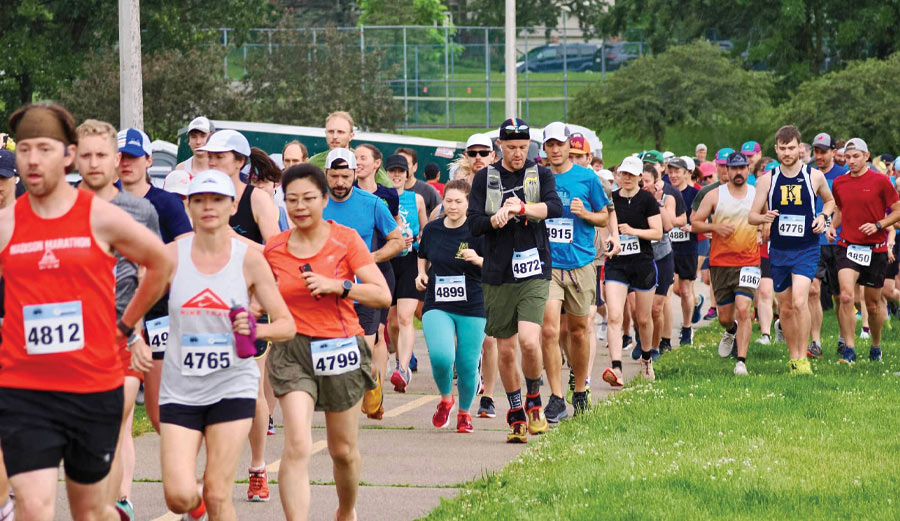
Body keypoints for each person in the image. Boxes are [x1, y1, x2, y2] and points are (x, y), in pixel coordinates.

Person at [0, 102, 171, 521]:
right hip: (25, 387)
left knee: (90, 512)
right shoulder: (5, 223)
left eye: (44, 148)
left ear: (67, 154)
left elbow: (162, 263)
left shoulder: (100, 216)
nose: (33, 159)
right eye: (24, 149)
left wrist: (127, 324)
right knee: (34, 505)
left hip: (92, 386)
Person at [129, 170, 293, 521]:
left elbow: (286, 325)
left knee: (219, 494)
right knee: (177, 497)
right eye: (199, 200)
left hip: (232, 385)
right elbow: (135, 307)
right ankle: (195, 501)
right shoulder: (170, 256)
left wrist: (253, 331)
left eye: (217, 200)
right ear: (187, 207)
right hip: (181, 389)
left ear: (233, 206)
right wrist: (135, 340)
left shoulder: (249, 259)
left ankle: (212, 496)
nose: (208, 207)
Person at [264, 164, 390, 521]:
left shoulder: (345, 239)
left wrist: (341, 286)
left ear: (323, 200)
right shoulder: (273, 249)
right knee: (297, 444)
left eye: (308, 198)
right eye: (292, 200)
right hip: (291, 351)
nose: (300, 207)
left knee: (343, 450)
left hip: (340, 347)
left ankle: (346, 512)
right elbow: (256, 295)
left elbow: (381, 295)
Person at [75, 119, 163, 521]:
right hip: (70, 338)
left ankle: (116, 501)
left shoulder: (140, 210)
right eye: (86, 154)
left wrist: (136, 330)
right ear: (74, 157)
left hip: (121, 335)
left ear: (115, 161)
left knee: (115, 417)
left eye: (103, 156)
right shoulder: (56, 204)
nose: (94, 163)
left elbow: (151, 272)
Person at [468, 118, 562, 443]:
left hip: (534, 268)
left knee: (529, 341)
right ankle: (516, 413)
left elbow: (555, 207)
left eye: (523, 147)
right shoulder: (486, 177)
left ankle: (535, 397)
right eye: (512, 148)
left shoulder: (540, 173)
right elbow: (472, 224)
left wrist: (523, 207)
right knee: (505, 351)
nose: (518, 153)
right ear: (501, 147)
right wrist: (492, 220)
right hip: (497, 272)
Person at [198, 129, 281, 501]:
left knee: (250, 390)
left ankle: (258, 467)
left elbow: (276, 252)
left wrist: (232, 237)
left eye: (220, 155)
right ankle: (210, 471)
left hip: (248, 305)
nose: (212, 159)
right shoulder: (197, 195)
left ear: (240, 161)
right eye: (209, 154)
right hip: (205, 303)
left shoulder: (258, 199)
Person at [116, 128, 193, 435]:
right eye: (120, 156)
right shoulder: (103, 202)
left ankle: (185, 476)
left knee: (159, 413)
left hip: (159, 314)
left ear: (148, 160)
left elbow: (187, 253)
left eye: (133, 157)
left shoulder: (166, 203)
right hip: (117, 313)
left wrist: (156, 271)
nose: (126, 163)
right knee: (115, 413)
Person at [322, 148, 404, 419]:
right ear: (326, 175)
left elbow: (397, 241)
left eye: (346, 176)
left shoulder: (372, 204)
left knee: (363, 353)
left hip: (363, 293)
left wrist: (369, 259)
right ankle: (346, 408)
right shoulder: (317, 205)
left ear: (356, 174)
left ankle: (371, 382)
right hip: (327, 294)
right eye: (334, 176)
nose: (340, 183)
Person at [537, 122, 609, 422]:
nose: (555, 149)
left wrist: (585, 214)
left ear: (569, 146)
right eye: (549, 145)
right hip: (547, 265)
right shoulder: (536, 178)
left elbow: (604, 217)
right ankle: (555, 398)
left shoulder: (587, 178)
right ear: (544, 149)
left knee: (579, 332)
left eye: (559, 144)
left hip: (580, 263)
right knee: (550, 329)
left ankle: (579, 390)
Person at [749, 125, 834, 375]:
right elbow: (752, 216)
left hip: (807, 248)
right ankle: (793, 357)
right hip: (779, 250)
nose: (787, 153)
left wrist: (823, 218)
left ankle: (803, 356)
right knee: (785, 307)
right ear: (776, 149)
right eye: (783, 148)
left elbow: (830, 201)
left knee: (800, 301)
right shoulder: (767, 180)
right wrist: (765, 216)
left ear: (800, 148)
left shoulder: (814, 176)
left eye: (792, 148)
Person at [415, 179, 486, 432]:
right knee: (442, 356)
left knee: (467, 364)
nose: (453, 206)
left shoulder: (478, 230)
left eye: (458, 201)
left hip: (472, 304)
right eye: (449, 201)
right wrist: (421, 273)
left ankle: (465, 413)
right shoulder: (433, 229)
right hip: (438, 302)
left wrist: (478, 259)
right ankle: (446, 399)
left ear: (469, 203)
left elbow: (494, 265)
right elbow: (422, 255)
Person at [827, 138, 900, 364]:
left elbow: (897, 211)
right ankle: (849, 349)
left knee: (872, 304)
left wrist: (879, 225)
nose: (851, 161)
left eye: (855, 156)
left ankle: (876, 346)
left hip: (875, 249)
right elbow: (841, 210)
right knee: (847, 296)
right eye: (847, 157)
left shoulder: (881, 182)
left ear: (866, 156)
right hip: (847, 246)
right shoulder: (839, 183)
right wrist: (832, 226)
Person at [691, 152, 761, 375]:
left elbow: (767, 217)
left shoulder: (757, 195)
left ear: (748, 170)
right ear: (726, 171)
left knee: (743, 309)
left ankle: (741, 361)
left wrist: (763, 231)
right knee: (724, 317)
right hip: (721, 263)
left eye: (742, 168)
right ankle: (730, 331)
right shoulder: (714, 196)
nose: (738, 172)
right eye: (734, 169)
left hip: (750, 261)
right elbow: (695, 223)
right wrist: (714, 228)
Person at [601, 156, 662, 385]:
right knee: (615, 315)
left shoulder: (646, 200)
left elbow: (657, 232)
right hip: (617, 263)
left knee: (643, 319)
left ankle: (646, 358)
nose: (626, 178)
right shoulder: (611, 199)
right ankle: (616, 368)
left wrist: (633, 231)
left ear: (639, 177)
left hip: (642, 264)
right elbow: (603, 226)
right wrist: (607, 240)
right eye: (623, 173)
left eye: (631, 174)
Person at [458, 133, 501, 419]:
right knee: (464, 336)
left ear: (493, 156)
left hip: (490, 259)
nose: (478, 158)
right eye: (472, 153)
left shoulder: (500, 185)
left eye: (483, 153)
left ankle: (488, 396)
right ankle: (469, 377)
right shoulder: (458, 186)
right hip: (461, 259)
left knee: (489, 338)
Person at [385, 154, 429, 392]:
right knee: (391, 322)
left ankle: (403, 368)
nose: (397, 175)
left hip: (410, 260)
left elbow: (425, 230)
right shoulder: (380, 198)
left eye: (400, 171)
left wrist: (418, 240)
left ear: (408, 173)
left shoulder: (417, 199)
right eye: (392, 171)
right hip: (388, 260)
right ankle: (396, 356)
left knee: (405, 318)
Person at [807, 132, 849, 357]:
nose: (819, 156)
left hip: (839, 241)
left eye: (823, 151)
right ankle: (816, 343)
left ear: (833, 151)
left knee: (841, 295)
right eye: (816, 151)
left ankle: (843, 339)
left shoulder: (844, 175)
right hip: (815, 242)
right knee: (813, 291)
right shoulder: (808, 175)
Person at [639, 164, 684, 361]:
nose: (643, 185)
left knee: (656, 307)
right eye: (640, 181)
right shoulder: (633, 199)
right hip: (640, 258)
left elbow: (668, 225)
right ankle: (642, 340)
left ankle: (654, 347)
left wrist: (656, 202)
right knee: (636, 310)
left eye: (646, 181)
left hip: (662, 256)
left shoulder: (668, 198)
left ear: (656, 182)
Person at [307, 111, 392, 187]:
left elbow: (388, 187)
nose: (335, 136)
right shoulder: (314, 163)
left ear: (351, 136)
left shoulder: (364, 161)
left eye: (340, 132)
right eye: (331, 132)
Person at [667, 157, 701, 344]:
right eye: (670, 172)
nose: (673, 175)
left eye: (677, 171)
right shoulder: (664, 192)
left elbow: (704, 219)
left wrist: (692, 226)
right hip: (666, 247)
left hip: (688, 247)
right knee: (668, 290)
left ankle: (687, 328)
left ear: (686, 173)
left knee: (686, 290)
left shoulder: (694, 194)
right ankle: (664, 333)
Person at [395, 147, 441, 218]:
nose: (401, 167)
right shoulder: (387, 191)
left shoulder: (428, 191)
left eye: (406, 164)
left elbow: (440, 214)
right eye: (398, 164)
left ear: (415, 167)